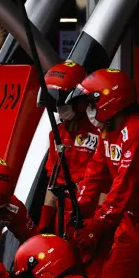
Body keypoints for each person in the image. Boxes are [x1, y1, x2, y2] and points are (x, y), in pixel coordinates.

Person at [71, 68, 139, 278]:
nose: (88, 110)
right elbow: (95, 173)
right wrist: (81, 209)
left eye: (92, 103)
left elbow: (123, 186)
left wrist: (97, 226)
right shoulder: (109, 131)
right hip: (131, 225)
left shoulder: (136, 131)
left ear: (110, 101)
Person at [39, 61, 101, 233]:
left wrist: (100, 224)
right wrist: (44, 223)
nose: (59, 104)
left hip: (92, 213)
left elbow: (106, 183)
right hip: (63, 216)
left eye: (63, 97)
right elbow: (53, 183)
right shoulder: (56, 134)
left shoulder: (101, 132)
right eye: (55, 97)